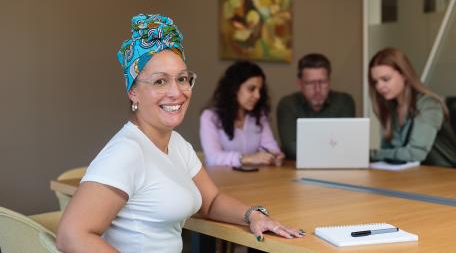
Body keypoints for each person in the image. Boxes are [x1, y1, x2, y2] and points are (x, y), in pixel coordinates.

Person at [56, 14, 304, 253]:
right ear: (133, 92)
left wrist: (254, 216)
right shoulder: (126, 152)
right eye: (160, 81)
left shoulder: (176, 144)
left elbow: (212, 201)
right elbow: (71, 235)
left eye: (182, 79)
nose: (176, 93)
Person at [368, 47, 456, 169]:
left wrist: (372, 154)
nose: (379, 86)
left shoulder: (429, 105)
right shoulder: (391, 109)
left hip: (450, 175)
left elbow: (415, 154)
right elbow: (387, 153)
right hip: (416, 174)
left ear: (404, 75)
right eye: (375, 82)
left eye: (385, 79)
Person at [200, 61, 284, 167]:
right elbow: (212, 157)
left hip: (253, 179)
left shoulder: (259, 115)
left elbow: (272, 148)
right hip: (220, 180)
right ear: (234, 88)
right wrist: (246, 158)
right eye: (251, 89)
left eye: (260, 90)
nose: (258, 96)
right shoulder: (210, 117)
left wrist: (274, 155)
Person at [276, 53, 355, 159]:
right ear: (300, 84)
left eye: (322, 82)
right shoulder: (287, 104)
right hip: (297, 168)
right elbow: (292, 148)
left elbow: (346, 144)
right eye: (310, 83)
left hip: (337, 165)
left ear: (329, 81)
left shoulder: (344, 102)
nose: (317, 89)